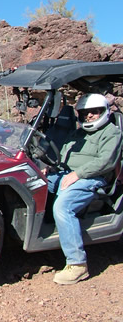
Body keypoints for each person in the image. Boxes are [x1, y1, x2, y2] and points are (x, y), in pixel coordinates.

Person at [45, 93, 122, 285]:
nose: (89, 117)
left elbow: (106, 162)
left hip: (92, 178)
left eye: (94, 112)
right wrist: (52, 167)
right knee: (34, 183)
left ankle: (77, 264)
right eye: (85, 113)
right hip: (68, 173)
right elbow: (64, 153)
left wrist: (77, 174)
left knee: (63, 207)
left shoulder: (112, 133)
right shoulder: (79, 133)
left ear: (104, 112)